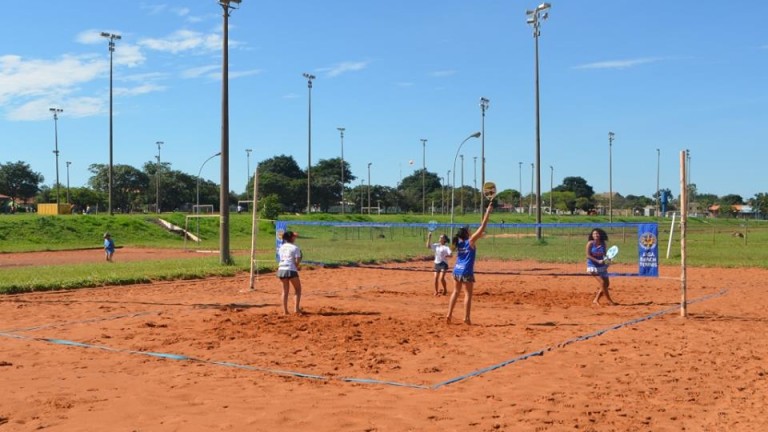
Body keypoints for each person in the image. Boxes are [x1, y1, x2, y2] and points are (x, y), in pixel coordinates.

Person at [446, 201, 494, 325]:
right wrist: (488, 211)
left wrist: (481, 236)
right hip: (466, 271)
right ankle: (466, 318)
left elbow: (450, 252)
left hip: (456, 270)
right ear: (467, 233)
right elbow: (483, 226)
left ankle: (449, 315)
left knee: (455, 292)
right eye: (469, 230)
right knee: (468, 295)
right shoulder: (470, 241)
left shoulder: (458, 243)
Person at [586, 228, 616, 305]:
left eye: (597, 233)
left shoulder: (603, 243)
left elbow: (605, 255)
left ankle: (596, 300)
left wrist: (609, 259)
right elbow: (588, 255)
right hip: (592, 265)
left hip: (601, 266)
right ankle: (609, 301)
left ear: (600, 235)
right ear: (592, 235)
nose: (596, 235)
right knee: (602, 282)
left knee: (606, 284)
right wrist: (597, 261)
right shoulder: (590, 243)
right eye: (594, 234)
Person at [277, 230, 303, 315]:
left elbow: (280, 258)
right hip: (290, 269)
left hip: (281, 269)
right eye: (293, 236)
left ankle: (285, 311)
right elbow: (298, 259)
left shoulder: (281, 247)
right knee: (298, 289)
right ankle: (296, 309)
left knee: (285, 291)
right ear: (292, 238)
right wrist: (296, 266)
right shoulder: (295, 247)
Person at [426, 231, 452, 296]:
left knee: (441, 278)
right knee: (435, 278)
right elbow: (428, 246)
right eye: (440, 237)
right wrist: (429, 237)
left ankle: (445, 289)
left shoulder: (446, 247)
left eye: (441, 237)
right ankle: (436, 291)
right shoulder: (436, 245)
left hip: (443, 264)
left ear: (444, 240)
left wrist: (448, 255)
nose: (440, 238)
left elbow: (451, 254)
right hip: (437, 263)